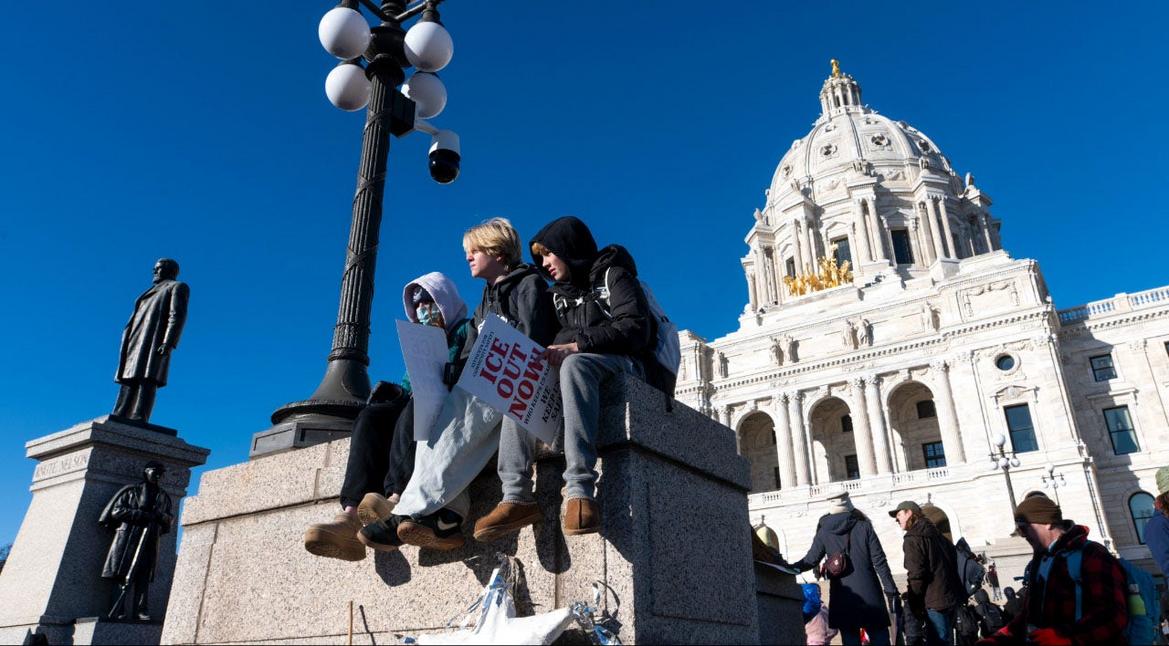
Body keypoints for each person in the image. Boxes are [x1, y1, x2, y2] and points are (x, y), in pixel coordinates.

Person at [368, 218, 557, 551]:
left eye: (475, 250)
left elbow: (533, 340)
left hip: (517, 382)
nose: (469, 257)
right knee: (438, 421)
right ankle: (447, 517)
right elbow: (468, 353)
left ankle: (407, 512)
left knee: (457, 424)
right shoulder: (486, 298)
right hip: (488, 384)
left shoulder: (529, 284)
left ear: (498, 252)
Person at [303, 272, 471, 561]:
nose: (422, 310)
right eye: (416, 305)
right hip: (418, 404)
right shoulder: (424, 342)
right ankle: (350, 515)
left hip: (451, 407)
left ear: (445, 300)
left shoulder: (467, 330)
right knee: (371, 418)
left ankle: (396, 497)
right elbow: (410, 385)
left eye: (428, 301)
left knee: (415, 406)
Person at [506, 215, 653, 536]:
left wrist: (579, 343)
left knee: (575, 363)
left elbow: (634, 329)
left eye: (548, 254)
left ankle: (579, 491)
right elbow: (547, 343)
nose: (544, 264)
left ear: (568, 248)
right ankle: (513, 496)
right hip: (584, 371)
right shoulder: (556, 295)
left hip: (628, 365)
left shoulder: (614, 274)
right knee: (520, 376)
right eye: (539, 257)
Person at [977, 495, 1128, 645]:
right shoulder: (1040, 560)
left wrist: (1066, 637)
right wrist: (998, 639)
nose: (1022, 535)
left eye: (1024, 528)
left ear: (1047, 522)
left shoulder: (1091, 553)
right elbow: (1030, 617)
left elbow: (1113, 615)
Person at [787, 492, 899, 646]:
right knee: (879, 638)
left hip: (843, 595)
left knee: (850, 639)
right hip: (870, 593)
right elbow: (880, 561)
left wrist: (789, 568)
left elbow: (810, 560)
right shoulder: (864, 526)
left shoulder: (824, 531)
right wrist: (891, 590)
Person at [112, 258, 189, 424]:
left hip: (153, 339)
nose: (154, 271)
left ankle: (140, 415)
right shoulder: (148, 292)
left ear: (170, 271)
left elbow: (176, 315)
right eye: (154, 268)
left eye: (158, 268)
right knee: (129, 377)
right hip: (136, 339)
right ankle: (121, 411)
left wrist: (168, 342)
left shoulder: (176, 287)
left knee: (148, 377)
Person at [99, 461, 174, 621]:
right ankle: (117, 609)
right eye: (155, 471)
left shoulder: (163, 496)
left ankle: (141, 610)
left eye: (161, 473)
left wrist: (160, 516)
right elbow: (116, 511)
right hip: (127, 538)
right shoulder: (131, 491)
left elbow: (169, 519)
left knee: (144, 575)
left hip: (150, 537)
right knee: (122, 573)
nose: (158, 475)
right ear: (146, 472)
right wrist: (142, 515)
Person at [890, 501, 964, 645]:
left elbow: (916, 574)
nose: (896, 519)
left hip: (933, 599)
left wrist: (914, 601)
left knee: (939, 640)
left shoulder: (913, 539)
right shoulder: (935, 533)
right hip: (949, 596)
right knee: (946, 639)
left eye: (899, 514)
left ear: (909, 513)